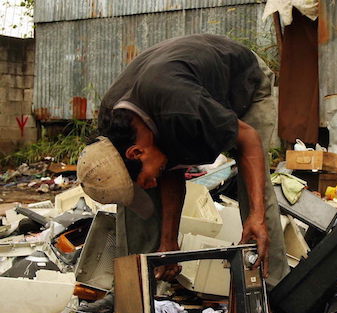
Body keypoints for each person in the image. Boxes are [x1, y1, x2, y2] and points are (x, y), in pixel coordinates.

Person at [76, 34, 289, 285]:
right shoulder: (114, 125)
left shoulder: (182, 109)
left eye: (147, 179)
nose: (152, 184)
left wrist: (257, 217)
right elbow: (171, 168)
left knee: (255, 191)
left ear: (136, 152)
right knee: (135, 205)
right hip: (175, 89)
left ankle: (275, 289)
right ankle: (138, 288)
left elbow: (248, 139)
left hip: (242, 82)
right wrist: (168, 242)